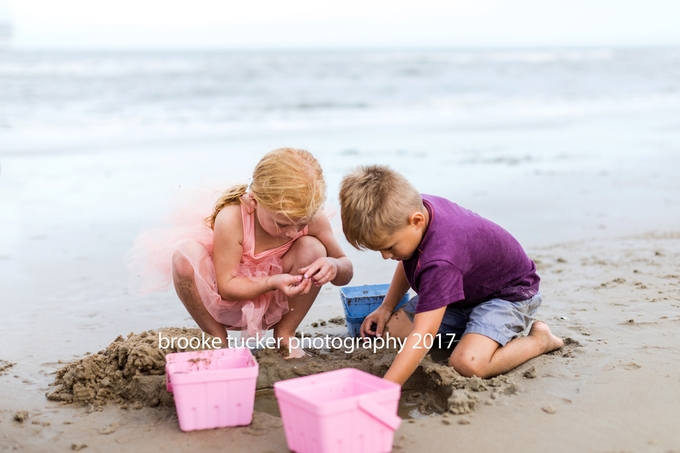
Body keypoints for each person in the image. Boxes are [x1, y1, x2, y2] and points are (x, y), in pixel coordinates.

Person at [339, 164, 563, 384]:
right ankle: (471, 334)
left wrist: (388, 387)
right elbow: (407, 259)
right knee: (387, 333)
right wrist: (386, 307)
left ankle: (539, 341)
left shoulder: (441, 259)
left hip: (507, 295)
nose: (385, 256)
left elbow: (424, 334)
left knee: (467, 363)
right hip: (463, 291)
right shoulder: (409, 209)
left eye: (389, 247)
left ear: (416, 221)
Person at [127, 148, 353, 357]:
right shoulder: (233, 218)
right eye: (282, 224)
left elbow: (346, 271)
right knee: (184, 258)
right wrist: (272, 281)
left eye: (300, 223)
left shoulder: (312, 219)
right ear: (254, 201)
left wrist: (333, 266)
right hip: (228, 303)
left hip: (280, 302)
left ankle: (285, 334)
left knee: (314, 248)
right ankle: (217, 339)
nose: (292, 232)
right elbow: (226, 287)